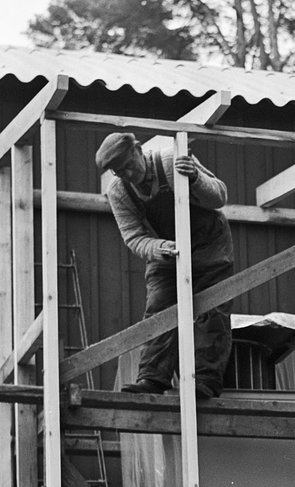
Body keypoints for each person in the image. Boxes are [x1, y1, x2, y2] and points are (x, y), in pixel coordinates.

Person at [95, 131, 235, 398]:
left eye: (128, 165)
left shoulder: (171, 162)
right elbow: (133, 237)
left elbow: (219, 197)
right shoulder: (119, 192)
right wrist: (158, 248)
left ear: (138, 150)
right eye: (118, 171)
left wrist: (195, 177)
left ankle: (205, 381)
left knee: (212, 311)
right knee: (159, 310)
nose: (126, 174)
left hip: (210, 246)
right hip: (166, 253)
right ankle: (152, 378)